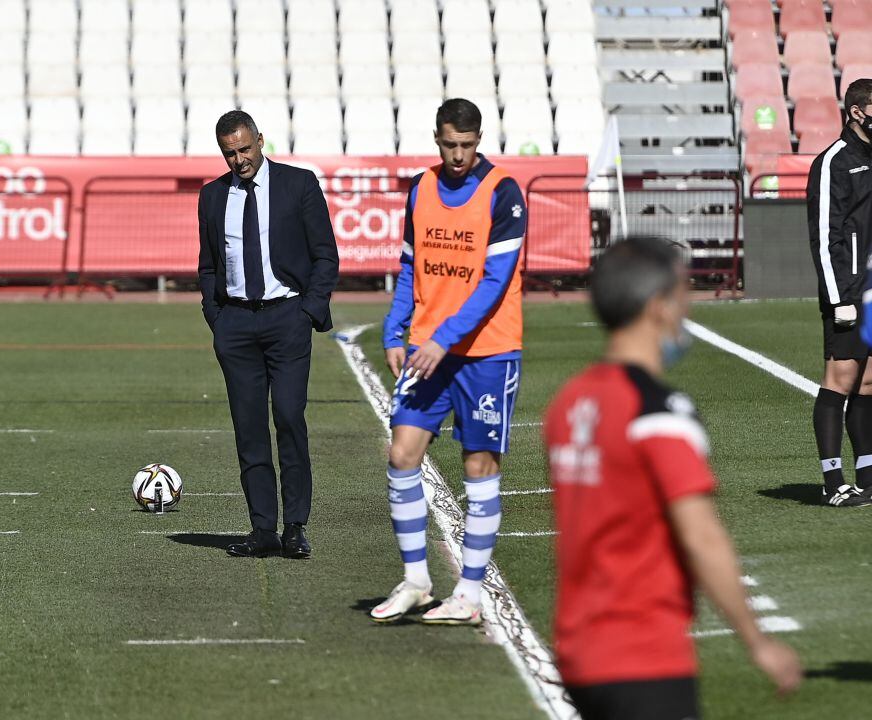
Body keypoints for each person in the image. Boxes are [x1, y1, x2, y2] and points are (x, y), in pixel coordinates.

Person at [543, 237, 802, 720]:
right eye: (683, 294)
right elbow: (701, 536)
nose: (689, 308)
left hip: (578, 647)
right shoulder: (659, 411)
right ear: (657, 307)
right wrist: (756, 640)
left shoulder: (570, 401)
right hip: (643, 653)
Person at [371, 98, 527, 625]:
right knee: (401, 455)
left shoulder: (503, 192)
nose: (458, 155)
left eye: (467, 145)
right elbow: (410, 266)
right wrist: (397, 329)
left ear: (478, 139)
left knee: (479, 470)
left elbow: (494, 282)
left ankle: (469, 593)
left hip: (487, 353)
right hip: (428, 351)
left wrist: (442, 338)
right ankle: (416, 580)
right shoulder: (421, 188)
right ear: (436, 140)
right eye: (449, 145)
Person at [196, 110, 339, 559]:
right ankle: (263, 529)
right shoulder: (212, 196)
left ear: (260, 140)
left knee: (290, 419)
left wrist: (307, 312)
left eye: (244, 149)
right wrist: (217, 317)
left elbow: (325, 256)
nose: (239, 160)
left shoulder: (299, 184)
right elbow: (207, 265)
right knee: (249, 429)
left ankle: (295, 526)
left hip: (287, 319)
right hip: (236, 325)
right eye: (229, 153)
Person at [806, 78, 872, 507]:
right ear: (856, 111)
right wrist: (839, 298)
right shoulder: (833, 161)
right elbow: (824, 236)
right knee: (841, 380)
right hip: (848, 292)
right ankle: (834, 483)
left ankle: (868, 475)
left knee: (869, 384)